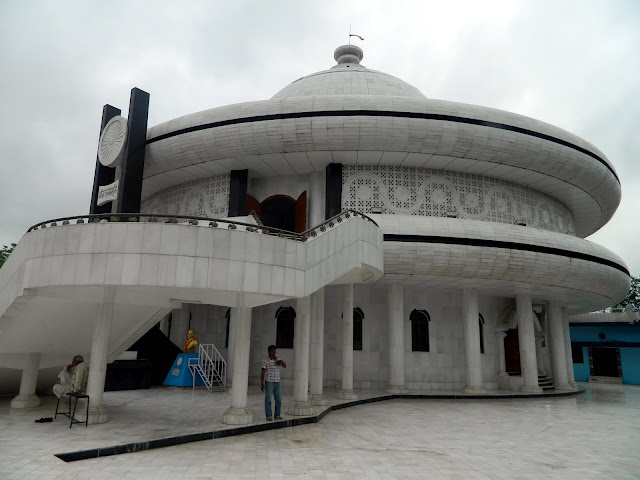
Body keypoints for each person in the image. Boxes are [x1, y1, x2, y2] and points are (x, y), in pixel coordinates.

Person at [261, 345, 286, 421]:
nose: (274, 352)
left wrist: (281, 362)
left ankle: (277, 415)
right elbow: (263, 372)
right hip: (269, 382)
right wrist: (261, 383)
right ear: (269, 352)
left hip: (277, 382)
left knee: (278, 399)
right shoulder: (265, 360)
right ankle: (269, 416)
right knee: (268, 399)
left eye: (275, 350)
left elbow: (285, 366)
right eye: (272, 351)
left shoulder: (278, 359)